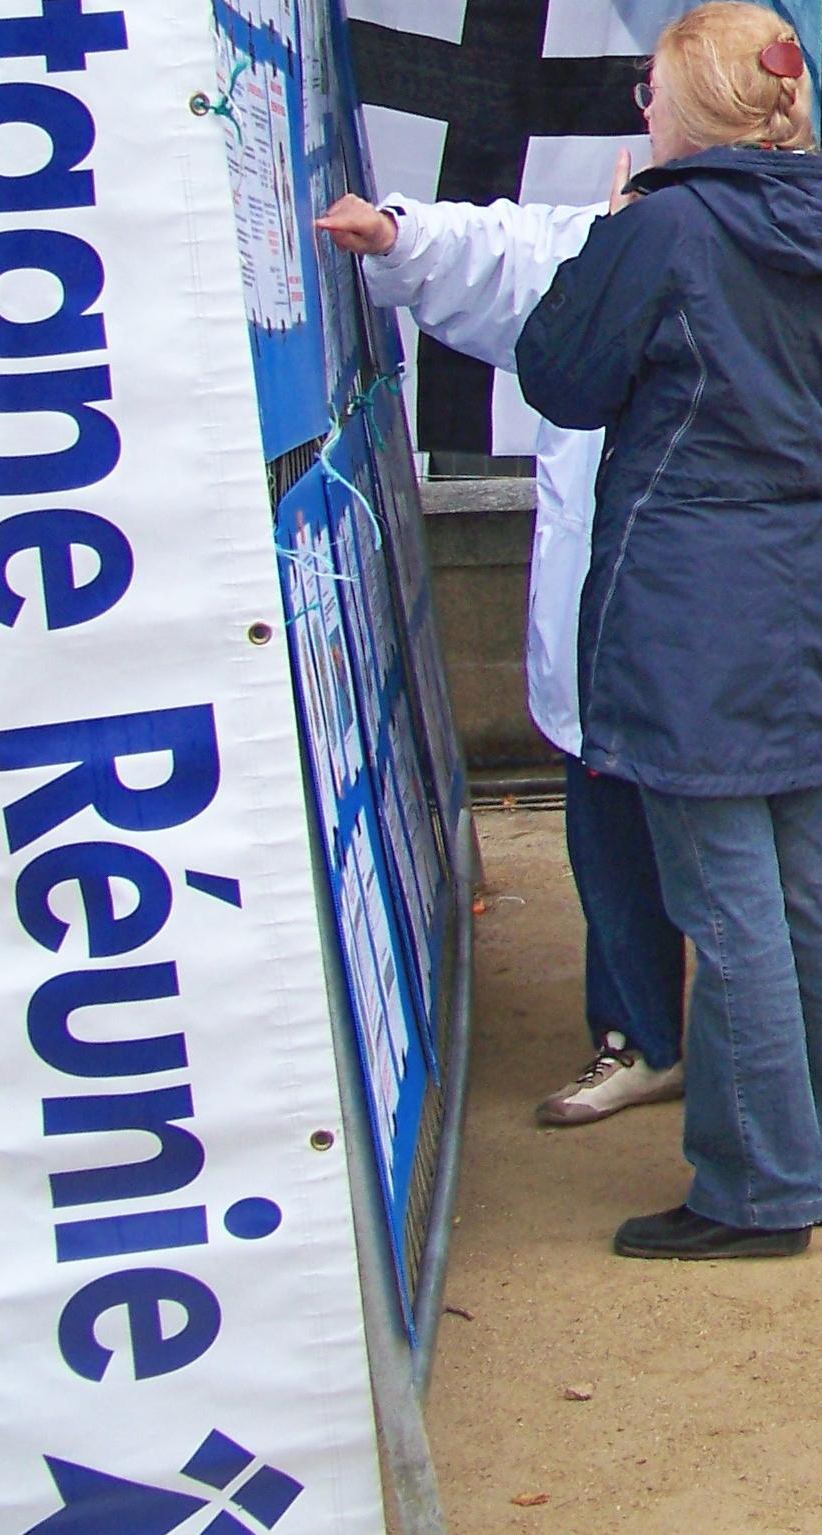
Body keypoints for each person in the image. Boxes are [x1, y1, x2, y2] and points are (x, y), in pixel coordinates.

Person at [517, 2, 822, 1256]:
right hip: (804, 583)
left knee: (726, 895)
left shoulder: (666, 225)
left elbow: (559, 373)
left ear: (685, 103)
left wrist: (615, 225)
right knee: (806, 885)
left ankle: (755, 1187)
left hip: (686, 591)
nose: (642, 107)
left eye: (651, 90)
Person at [314, 167, 689, 1130]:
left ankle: (757, 1055)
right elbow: (499, 251)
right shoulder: (599, 241)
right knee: (614, 820)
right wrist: (396, 234)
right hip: (617, 609)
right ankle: (643, 1034)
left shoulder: (781, 239)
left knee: (746, 848)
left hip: (724, 609)